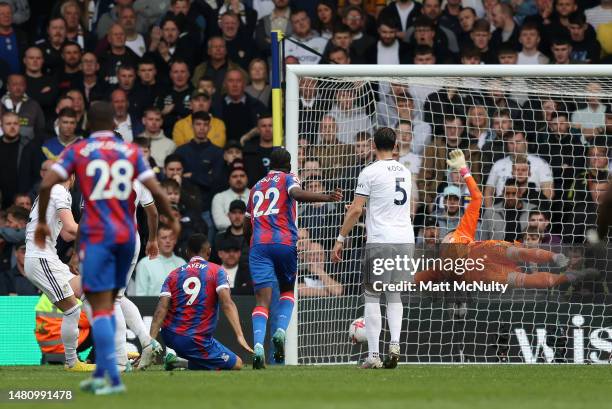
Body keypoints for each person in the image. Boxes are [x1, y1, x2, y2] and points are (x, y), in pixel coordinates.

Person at [34, 101, 178, 395]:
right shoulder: (131, 154)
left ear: (90, 123)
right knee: (113, 298)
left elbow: (50, 181)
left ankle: (113, 368)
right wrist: (171, 219)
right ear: (113, 122)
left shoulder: (81, 152)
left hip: (99, 235)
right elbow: (156, 191)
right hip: (128, 236)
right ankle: (133, 352)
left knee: (100, 302)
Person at [415, 150, 591, 290]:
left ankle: (562, 268)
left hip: (487, 256)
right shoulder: (437, 271)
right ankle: (564, 274)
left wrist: (463, 169)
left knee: (519, 263)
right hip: (479, 274)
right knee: (522, 280)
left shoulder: (463, 232)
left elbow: (476, 197)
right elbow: (407, 283)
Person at [247, 148, 342, 368]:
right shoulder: (289, 177)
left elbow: (246, 222)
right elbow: (296, 194)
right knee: (288, 291)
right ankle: (280, 331)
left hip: (259, 245)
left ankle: (259, 346)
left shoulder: (256, 187)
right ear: (289, 164)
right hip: (283, 243)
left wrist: (253, 243)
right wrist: (326, 196)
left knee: (262, 301)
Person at [332, 127, 414, 369]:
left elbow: (355, 209)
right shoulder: (405, 172)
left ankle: (374, 355)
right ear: (395, 145)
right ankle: (396, 344)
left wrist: (340, 237)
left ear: (372, 146)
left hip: (380, 239)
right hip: (404, 238)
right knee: (394, 294)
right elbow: (391, 205)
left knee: (371, 295)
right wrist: (370, 211)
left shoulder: (369, 172)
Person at [149, 233, 253, 371]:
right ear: (209, 251)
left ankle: (175, 361)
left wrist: (149, 342)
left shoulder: (174, 274)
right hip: (195, 340)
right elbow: (227, 303)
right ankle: (179, 363)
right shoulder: (217, 271)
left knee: (205, 354)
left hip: (169, 335)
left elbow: (161, 309)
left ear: (187, 252)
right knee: (237, 363)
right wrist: (240, 335)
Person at [24, 174, 94, 371]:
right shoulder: (59, 191)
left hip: (49, 258)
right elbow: (72, 227)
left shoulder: (55, 192)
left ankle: (110, 349)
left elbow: (66, 233)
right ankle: (72, 362)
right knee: (72, 310)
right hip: (41, 259)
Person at [134, 225, 185, 296]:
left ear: (175, 240)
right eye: (164, 238)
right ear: (157, 240)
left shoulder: (182, 264)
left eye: (171, 238)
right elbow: (140, 295)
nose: (168, 241)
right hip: (150, 306)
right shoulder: (144, 263)